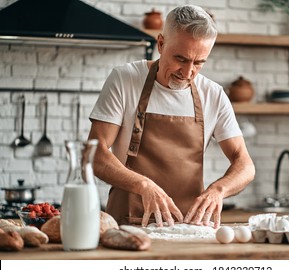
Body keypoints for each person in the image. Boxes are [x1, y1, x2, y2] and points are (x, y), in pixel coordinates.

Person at [88, 5, 255, 229]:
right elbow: (94, 153)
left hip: (190, 228)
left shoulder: (213, 95)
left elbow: (245, 164)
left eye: (198, 63)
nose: (187, 73)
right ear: (161, 44)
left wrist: (218, 190)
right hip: (127, 225)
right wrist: (144, 185)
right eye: (181, 59)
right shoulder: (125, 79)